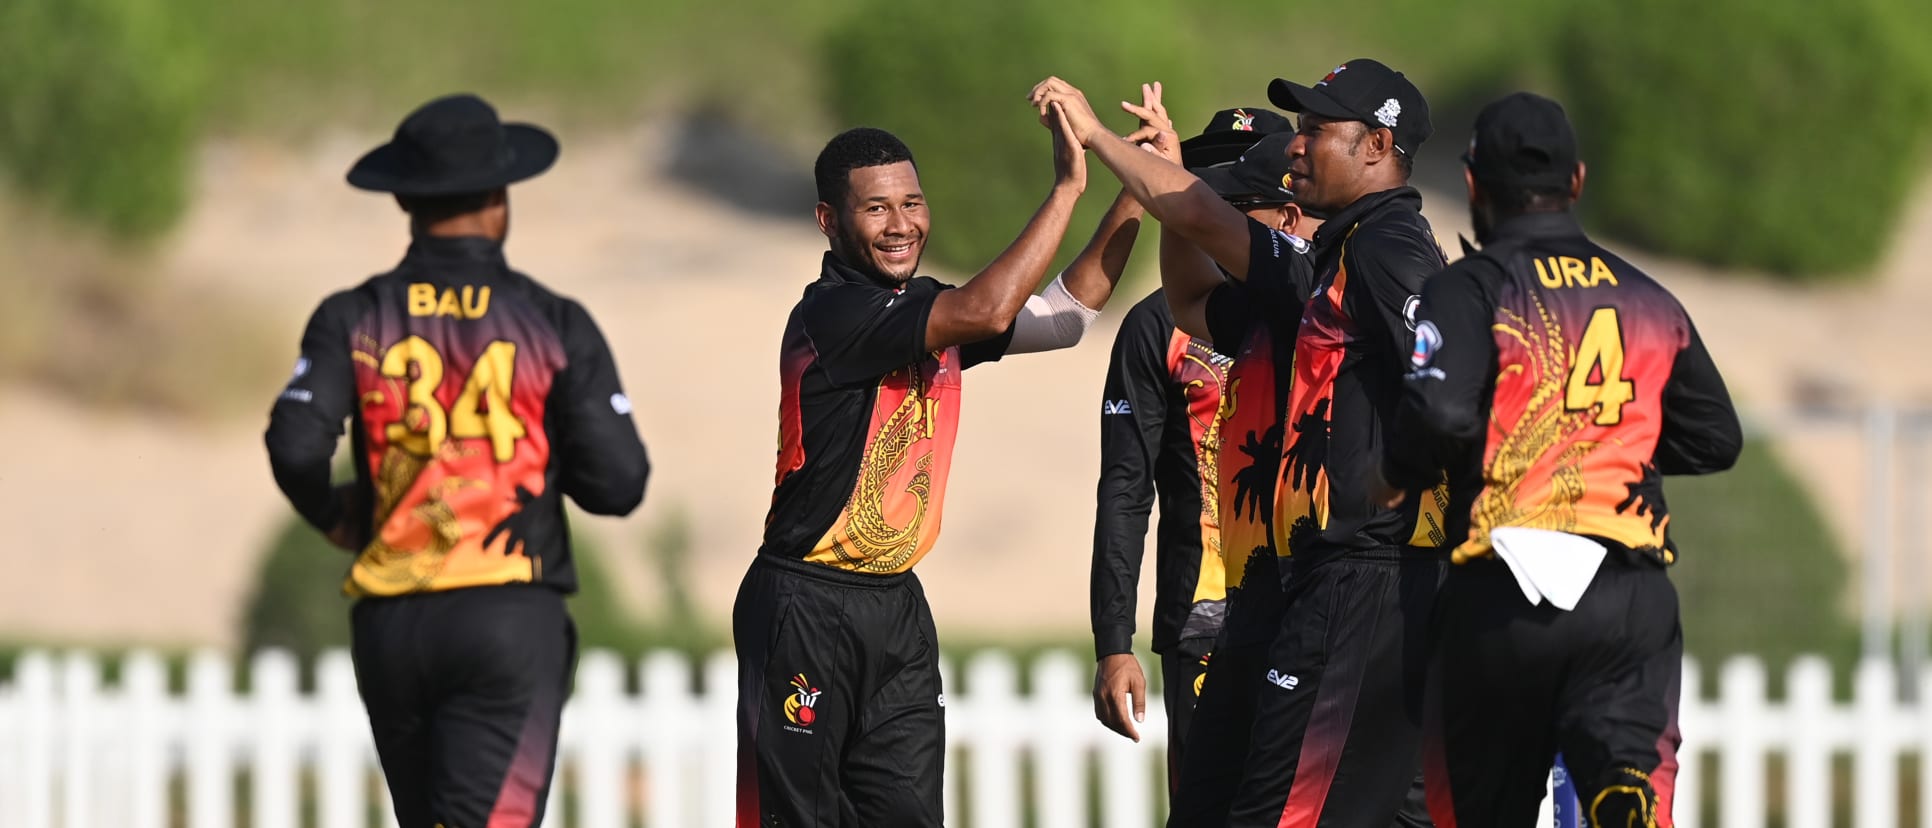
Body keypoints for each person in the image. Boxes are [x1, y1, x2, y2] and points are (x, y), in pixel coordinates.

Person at [1033, 58, 1449, 828]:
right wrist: (1168, 173)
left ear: (1377, 146)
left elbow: (1456, 390)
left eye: (1317, 131)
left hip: (1367, 580)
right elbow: (1190, 292)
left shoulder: (1390, 247)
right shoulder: (1324, 268)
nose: (1298, 146)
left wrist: (1098, 139)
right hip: (1281, 587)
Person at [736, 100, 1130, 826]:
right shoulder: (834, 314)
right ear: (828, 222)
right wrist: (1068, 190)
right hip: (805, 604)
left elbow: (1068, 317)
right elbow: (985, 311)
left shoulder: (922, 308)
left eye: (912, 203)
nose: (901, 225)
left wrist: (1135, 188)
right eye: (876, 209)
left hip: (897, 609)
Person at [264, 93, 650, 827]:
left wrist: (333, 513)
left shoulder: (353, 315)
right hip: (507, 613)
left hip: (391, 623)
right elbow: (619, 484)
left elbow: (293, 442)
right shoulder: (553, 320)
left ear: (405, 198)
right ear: (501, 201)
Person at [1381, 92, 1741, 828]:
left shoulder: (1473, 285)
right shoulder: (1648, 297)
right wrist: (1608, 442)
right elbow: (1716, 438)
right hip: (1632, 594)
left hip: (1507, 589)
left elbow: (1440, 410)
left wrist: (1396, 472)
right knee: (1620, 754)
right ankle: (1618, 780)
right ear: (1576, 181)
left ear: (1474, 185)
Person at [1088, 107, 1295, 789]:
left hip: (1312, 603)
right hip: (1202, 618)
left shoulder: (1319, 301)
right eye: (1213, 182)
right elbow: (1125, 488)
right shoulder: (1155, 328)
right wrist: (1113, 643)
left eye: (1244, 188)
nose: (1226, 196)